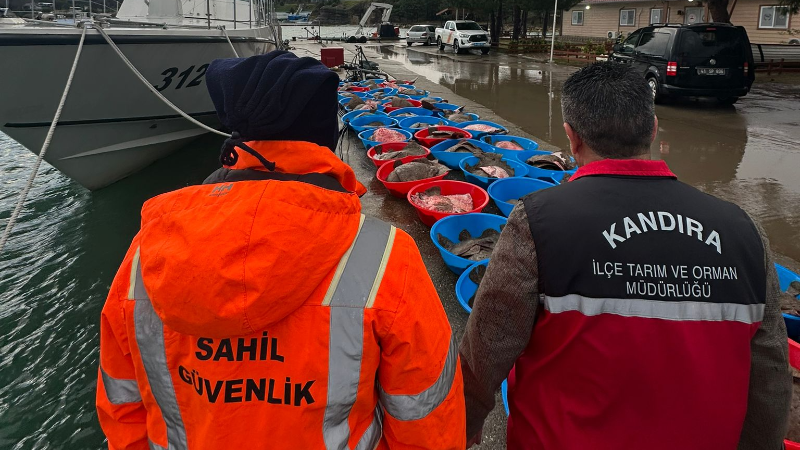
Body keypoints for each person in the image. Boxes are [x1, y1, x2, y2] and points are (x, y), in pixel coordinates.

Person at [96, 51, 465, 450]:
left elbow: (122, 405)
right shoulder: (385, 254)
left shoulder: (145, 253)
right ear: (324, 137)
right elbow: (425, 417)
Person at [459, 62, 791, 449]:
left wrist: (465, 420)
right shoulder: (743, 230)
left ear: (571, 137)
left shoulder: (538, 221)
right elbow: (770, 375)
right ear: (652, 130)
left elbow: (490, 343)